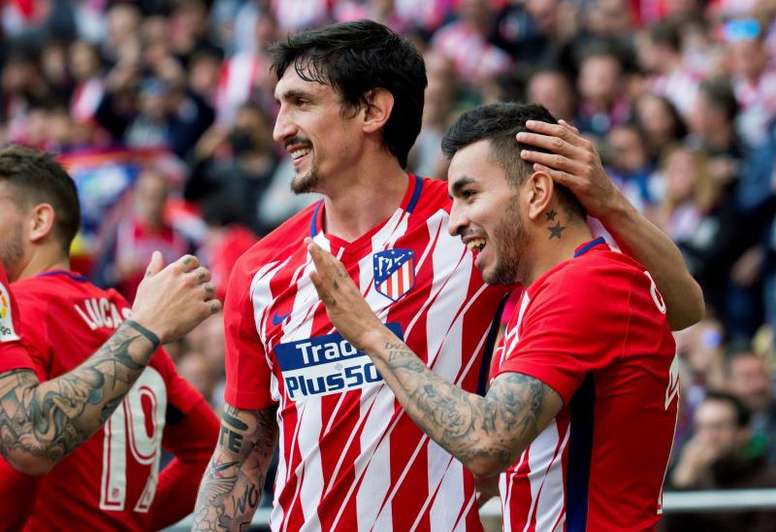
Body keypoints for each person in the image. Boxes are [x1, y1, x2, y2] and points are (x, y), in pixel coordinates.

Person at [193, 21, 702, 531]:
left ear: (373, 109)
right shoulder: (261, 270)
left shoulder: (482, 232)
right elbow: (241, 452)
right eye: (279, 105)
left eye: (300, 103)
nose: (280, 127)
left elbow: (673, 306)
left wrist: (609, 201)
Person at [307, 103, 680, 530]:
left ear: (537, 193)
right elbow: (687, 305)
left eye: (469, 195)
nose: (454, 222)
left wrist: (370, 333)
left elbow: (487, 442)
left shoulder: (586, 285)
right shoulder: (543, 288)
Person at [0, 145, 219, 529]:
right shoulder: (128, 317)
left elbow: (26, 444)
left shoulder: (17, 309)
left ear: (39, 222)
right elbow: (211, 451)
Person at [664, 391, 776, 532]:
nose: (708, 436)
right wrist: (679, 485)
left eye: (717, 427)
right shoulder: (690, 478)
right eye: (701, 427)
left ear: (743, 432)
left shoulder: (767, 480)